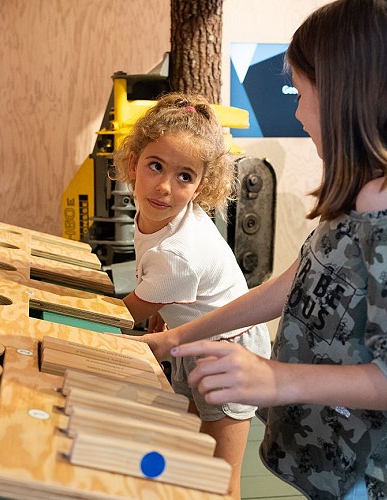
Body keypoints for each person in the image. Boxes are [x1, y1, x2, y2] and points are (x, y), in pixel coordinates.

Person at [134, 1, 387, 498]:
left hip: (386, 478)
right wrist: (178, 337)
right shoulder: (364, 186)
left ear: (345, 91)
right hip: (342, 463)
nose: (297, 110)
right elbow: (298, 280)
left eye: (301, 91)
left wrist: (276, 380)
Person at [112, 92, 271, 499]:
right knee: (191, 455)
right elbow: (160, 297)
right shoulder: (156, 216)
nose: (164, 187)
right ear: (134, 163)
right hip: (191, 341)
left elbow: (126, 312)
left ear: (203, 184)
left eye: (185, 176)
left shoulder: (177, 253)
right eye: (155, 166)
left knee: (221, 477)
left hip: (231, 352)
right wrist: (162, 311)